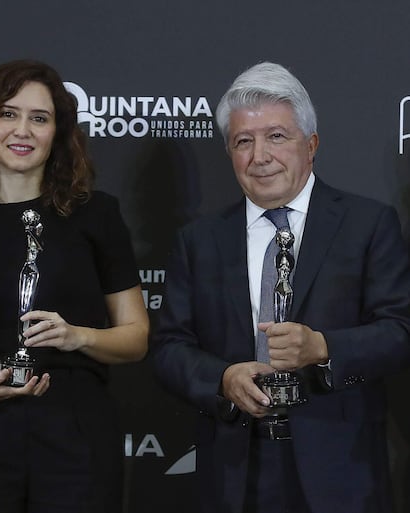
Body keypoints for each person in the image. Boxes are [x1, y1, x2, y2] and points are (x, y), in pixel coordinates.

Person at [153, 61, 410, 513]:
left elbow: (400, 330)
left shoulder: (367, 225)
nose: (260, 156)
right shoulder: (198, 241)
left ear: (310, 144)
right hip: (234, 470)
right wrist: (223, 378)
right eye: (243, 142)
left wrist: (323, 346)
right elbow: (169, 346)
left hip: (340, 470)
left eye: (276, 136)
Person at [0, 59, 149, 513]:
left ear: (58, 133)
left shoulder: (97, 216)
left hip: (76, 437)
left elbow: (135, 338)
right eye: (8, 114)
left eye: (40, 118)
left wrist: (80, 337)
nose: (23, 130)